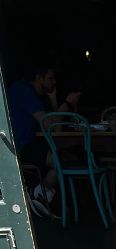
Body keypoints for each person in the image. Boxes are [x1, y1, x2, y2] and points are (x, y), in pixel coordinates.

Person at [8, 65, 81, 218]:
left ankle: (41, 192)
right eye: (50, 78)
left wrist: (53, 99)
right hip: (19, 147)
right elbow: (50, 124)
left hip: (32, 144)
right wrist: (67, 103)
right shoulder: (24, 91)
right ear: (39, 78)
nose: (54, 82)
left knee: (69, 158)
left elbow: (56, 129)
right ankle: (40, 192)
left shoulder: (38, 96)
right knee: (62, 161)